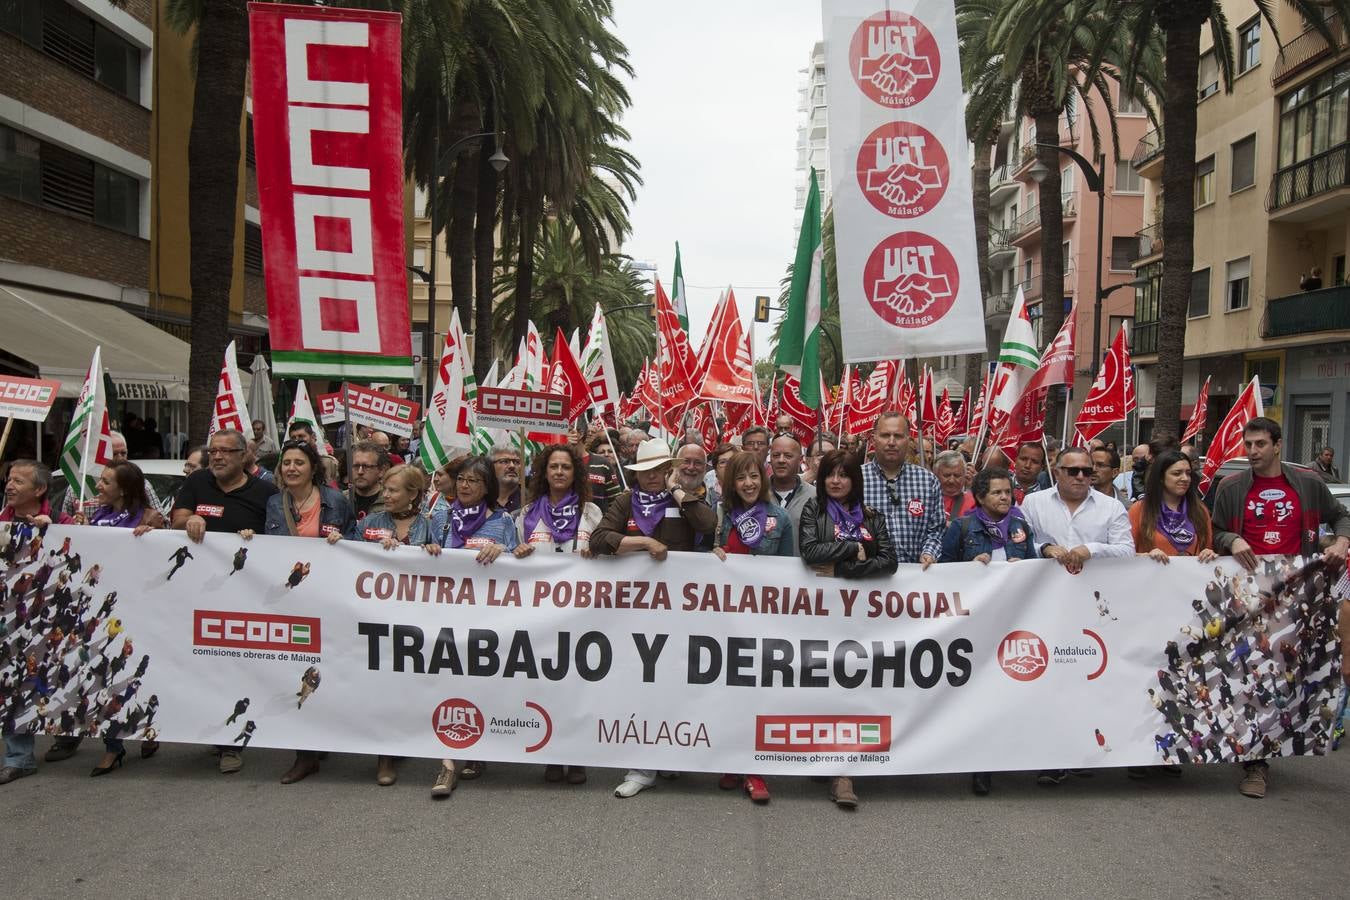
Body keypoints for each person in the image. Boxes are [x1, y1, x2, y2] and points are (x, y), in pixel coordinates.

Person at [1210, 417, 1350, 799]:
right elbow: (1214, 530)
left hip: (1297, 597)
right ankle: (1254, 763)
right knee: (1250, 674)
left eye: (1259, 444)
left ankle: (1278, 743)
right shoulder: (1231, 486)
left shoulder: (1307, 483)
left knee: (1286, 675)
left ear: (1277, 444)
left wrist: (1340, 542)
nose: (1251, 452)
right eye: (1247, 444)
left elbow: (1341, 515)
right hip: (1245, 597)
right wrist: (1232, 538)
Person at [592, 438, 717, 799]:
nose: (652, 477)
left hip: (678, 612)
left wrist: (677, 491)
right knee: (641, 684)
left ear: (669, 471)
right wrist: (643, 544)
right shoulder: (625, 501)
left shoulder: (682, 499)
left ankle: (672, 753)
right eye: (646, 471)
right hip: (633, 613)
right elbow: (601, 538)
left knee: (676, 681)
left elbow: (707, 525)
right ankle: (641, 767)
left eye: (660, 470)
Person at [1019, 446, 1133, 786]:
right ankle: (1049, 756)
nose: (1082, 476)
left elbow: (1127, 551)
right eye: (1074, 471)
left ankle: (1085, 749)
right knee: (1048, 682)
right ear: (1057, 472)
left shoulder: (1111, 508)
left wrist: (1091, 550)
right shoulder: (1033, 503)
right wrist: (1043, 548)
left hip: (1093, 611)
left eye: (1087, 471)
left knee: (1087, 682)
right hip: (1045, 608)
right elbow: (1021, 541)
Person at [171, 428, 278, 774]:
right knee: (202, 665)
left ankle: (231, 743)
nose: (216, 457)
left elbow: (280, 540)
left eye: (225, 451)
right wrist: (192, 518)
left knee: (234, 666)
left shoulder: (265, 492)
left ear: (244, 455)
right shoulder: (197, 482)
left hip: (243, 597)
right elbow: (178, 519)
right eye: (212, 450)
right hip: (196, 594)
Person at [799, 449, 897, 809]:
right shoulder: (814, 510)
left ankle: (844, 773)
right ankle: (826, 758)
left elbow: (889, 562)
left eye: (843, 474)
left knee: (851, 690)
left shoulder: (873, 517)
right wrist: (856, 548)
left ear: (855, 479)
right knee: (822, 688)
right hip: (821, 617)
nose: (836, 481)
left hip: (863, 621)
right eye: (829, 474)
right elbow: (810, 551)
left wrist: (842, 569)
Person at [253, 439, 352, 784]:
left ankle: (325, 734)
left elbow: (355, 542)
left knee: (333, 667)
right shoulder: (273, 504)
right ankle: (304, 753)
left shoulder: (336, 500)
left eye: (299, 462)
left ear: (313, 468)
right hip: (293, 602)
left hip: (331, 598)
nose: (291, 468)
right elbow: (267, 547)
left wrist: (345, 541)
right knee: (298, 670)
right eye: (286, 463)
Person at [938, 466, 1036, 796]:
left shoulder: (1021, 528)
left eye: (1008, 492)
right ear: (979, 497)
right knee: (974, 695)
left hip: (1011, 624)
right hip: (972, 627)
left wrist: (1021, 569)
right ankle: (978, 764)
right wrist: (968, 569)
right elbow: (941, 574)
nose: (1005, 497)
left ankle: (996, 759)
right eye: (997, 492)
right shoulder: (962, 527)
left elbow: (1036, 570)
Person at [513, 444, 603, 786]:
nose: (560, 472)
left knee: (578, 689)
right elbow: (512, 556)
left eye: (566, 466)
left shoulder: (592, 513)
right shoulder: (526, 515)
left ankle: (576, 756)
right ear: (544, 472)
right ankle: (551, 755)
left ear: (575, 473)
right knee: (546, 688)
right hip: (542, 617)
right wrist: (516, 550)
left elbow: (608, 550)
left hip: (582, 616)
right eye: (554, 467)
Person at [431, 454, 520, 798]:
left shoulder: (502, 521)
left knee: (479, 685)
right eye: (462, 480)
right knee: (446, 683)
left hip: (486, 620)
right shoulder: (440, 518)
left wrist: (505, 551)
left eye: (474, 481)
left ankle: (478, 749)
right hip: (444, 617)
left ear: (487, 488)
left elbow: (520, 565)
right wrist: (426, 549)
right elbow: (415, 558)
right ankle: (447, 764)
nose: (465, 486)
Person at [356, 463, 443, 787]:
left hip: (417, 621)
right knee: (384, 686)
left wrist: (433, 551)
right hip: (377, 618)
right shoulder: (371, 523)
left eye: (393, 490)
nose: (386, 495)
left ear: (413, 494)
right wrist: (371, 549)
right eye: (386, 489)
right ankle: (385, 756)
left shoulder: (431, 524)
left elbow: (448, 563)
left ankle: (405, 740)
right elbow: (348, 556)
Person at [72, 460, 160, 775]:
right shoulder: (98, 516)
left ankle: (151, 726)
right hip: (103, 610)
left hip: (140, 608)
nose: (99, 486)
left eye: (106, 482)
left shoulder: (149, 518)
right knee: (106, 677)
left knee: (141, 673)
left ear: (123, 488)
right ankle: (113, 746)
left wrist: (154, 536)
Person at [0, 461, 77, 785]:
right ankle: (19, 756)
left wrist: (56, 534)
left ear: (40, 489)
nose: (9, 485)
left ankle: (64, 733)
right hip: (8, 618)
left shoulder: (61, 521)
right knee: (11, 683)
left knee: (49, 678)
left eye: (18, 480)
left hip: (47, 621)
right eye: (8, 479)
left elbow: (79, 557)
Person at [861, 412, 943, 568]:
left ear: (908, 440)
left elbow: (936, 530)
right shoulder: (856, 479)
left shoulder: (928, 481)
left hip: (914, 581)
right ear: (874, 439)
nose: (891, 442)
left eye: (898, 436)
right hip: (868, 577)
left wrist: (929, 553)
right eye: (885, 435)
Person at [1131, 450, 1219, 564]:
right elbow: (1124, 555)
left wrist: (1209, 553)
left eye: (1188, 473)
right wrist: (1145, 556)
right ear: (1161, 477)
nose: (1185, 478)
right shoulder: (1139, 510)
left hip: (1191, 579)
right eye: (1177, 473)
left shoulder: (1200, 510)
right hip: (1152, 579)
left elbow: (1208, 548)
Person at [767, 434, 812, 551]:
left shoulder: (815, 496)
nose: (781, 460)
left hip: (802, 568)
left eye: (788, 456)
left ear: (801, 460)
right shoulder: (756, 494)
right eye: (776, 455)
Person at [933, 449, 974, 525]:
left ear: (965, 475)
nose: (952, 480)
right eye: (946, 475)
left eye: (957, 475)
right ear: (935, 474)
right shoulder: (927, 500)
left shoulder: (974, 502)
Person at [491, 446, 524, 514]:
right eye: (504, 461)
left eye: (516, 462)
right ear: (490, 466)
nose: (512, 466)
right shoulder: (480, 500)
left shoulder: (532, 501)